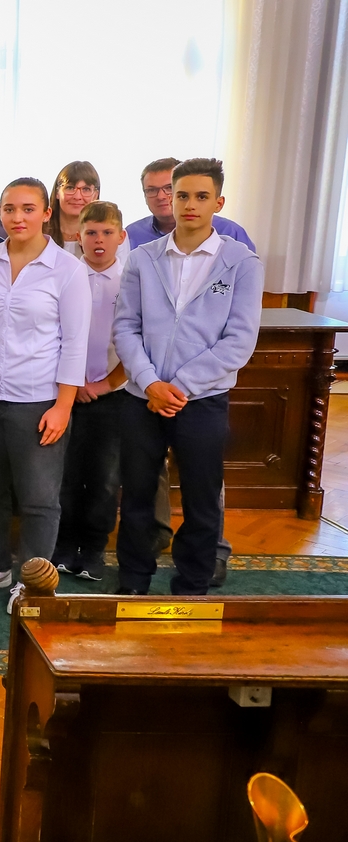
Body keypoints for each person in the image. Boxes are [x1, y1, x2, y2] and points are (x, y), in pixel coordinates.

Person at [115, 158, 262, 596]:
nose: (189, 204)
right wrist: (150, 382)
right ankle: (133, 580)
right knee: (137, 494)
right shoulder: (143, 258)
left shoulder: (241, 262)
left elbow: (239, 341)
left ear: (218, 202)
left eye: (201, 196)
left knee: (201, 497)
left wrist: (179, 386)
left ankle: (192, 583)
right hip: (142, 397)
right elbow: (126, 327)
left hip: (201, 400)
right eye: (182, 195)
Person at [0, 179, 90, 610]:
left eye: (28, 209)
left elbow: (75, 343)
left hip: (38, 401)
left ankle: (33, 581)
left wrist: (63, 406)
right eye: (10, 208)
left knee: (38, 499)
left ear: (47, 213)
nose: (17, 217)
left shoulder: (68, 270)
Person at [52, 201, 129, 583]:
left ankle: (94, 549)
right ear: (77, 237)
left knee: (104, 477)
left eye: (107, 233)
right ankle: (63, 545)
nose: (99, 240)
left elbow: (138, 342)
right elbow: (52, 334)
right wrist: (73, 383)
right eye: (91, 233)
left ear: (121, 237)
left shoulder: (130, 282)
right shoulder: (66, 276)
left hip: (112, 395)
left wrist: (103, 384)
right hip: (64, 393)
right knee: (65, 474)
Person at [127, 157, 258, 253]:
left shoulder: (231, 232)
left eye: (169, 188)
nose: (161, 196)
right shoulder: (131, 234)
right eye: (151, 190)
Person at [52, 161, 102, 256]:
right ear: (57, 192)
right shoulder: (38, 232)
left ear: (95, 195)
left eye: (86, 189)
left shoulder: (109, 234)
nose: (77, 197)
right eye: (70, 188)